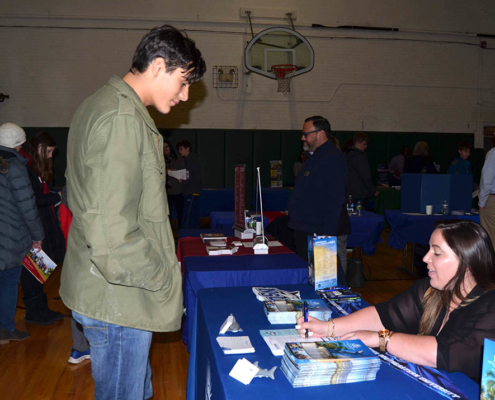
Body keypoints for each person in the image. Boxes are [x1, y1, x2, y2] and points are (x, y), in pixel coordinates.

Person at [60, 25, 206, 399]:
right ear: (158, 66)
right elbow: (113, 233)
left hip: (111, 290)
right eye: (184, 81)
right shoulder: (120, 117)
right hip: (118, 296)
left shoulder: (103, 104)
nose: (186, 95)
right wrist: (161, 276)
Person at [297, 219, 495, 381]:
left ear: (468, 262)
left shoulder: (490, 305)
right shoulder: (431, 289)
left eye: (436, 253)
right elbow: (384, 315)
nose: (425, 258)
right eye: (428, 250)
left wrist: (382, 338)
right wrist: (329, 327)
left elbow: (445, 353)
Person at [287, 116, 349, 285]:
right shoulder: (314, 157)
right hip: (304, 228)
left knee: (326, 280)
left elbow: (335, 197)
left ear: (320, 134)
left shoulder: (332, 158)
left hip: (318, 230)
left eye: (306, 134)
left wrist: (327, 233)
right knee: (312, 278)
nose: (303, 138)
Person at [0, 123, 44, 344]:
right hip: (11, 239)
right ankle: (6, 328)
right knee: (8, 282)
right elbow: (28, 208)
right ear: (19, 144)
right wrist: (38, 237)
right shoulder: (15, 168)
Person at [20, 131, 66, 325]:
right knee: (33, 271)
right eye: (48, 152)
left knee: (41, 268)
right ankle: (34, 311)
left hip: (42, 223)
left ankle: (40, 308)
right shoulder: (26, 169)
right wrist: (57, 197)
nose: (50, 156)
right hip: (33, 226)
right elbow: (33, 199)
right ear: (39, 148)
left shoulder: (34, 168)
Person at [345, 132, 379, 203]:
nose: (366, 146)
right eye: (364, 144)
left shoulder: (346, 154)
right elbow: (365, 176)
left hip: (348, 191)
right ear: (357, 143)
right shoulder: (359, 157)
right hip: (359, 193)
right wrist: (373, 190)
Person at [177, 139, 202, 229]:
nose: (180, 152)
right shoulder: (189, 159)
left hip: (192, 192)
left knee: (188, 217)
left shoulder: (191, 159)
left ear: (187, 149)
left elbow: (195, 177)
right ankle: (193, 236)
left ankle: (185, 235)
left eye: (181, 149)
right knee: (193, 216)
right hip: (191, 192)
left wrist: (183, 181)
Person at [163, 139, 185, 228]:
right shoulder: (158, 159)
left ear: (170, 147)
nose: (164, 149)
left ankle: (182, 230)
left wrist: (176, 172)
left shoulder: (178, 159)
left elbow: (185, 172)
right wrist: (166, 171)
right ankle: (167, 231)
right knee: (166, 213)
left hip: (177, 190)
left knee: (180, 212)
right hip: (164, 191)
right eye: (162, 147)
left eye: (166, 147)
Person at [479, 146, 495, 249]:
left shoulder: (493, 153)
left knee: (490, 239)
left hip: (492, 201)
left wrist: (482, 203)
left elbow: (487, 180)